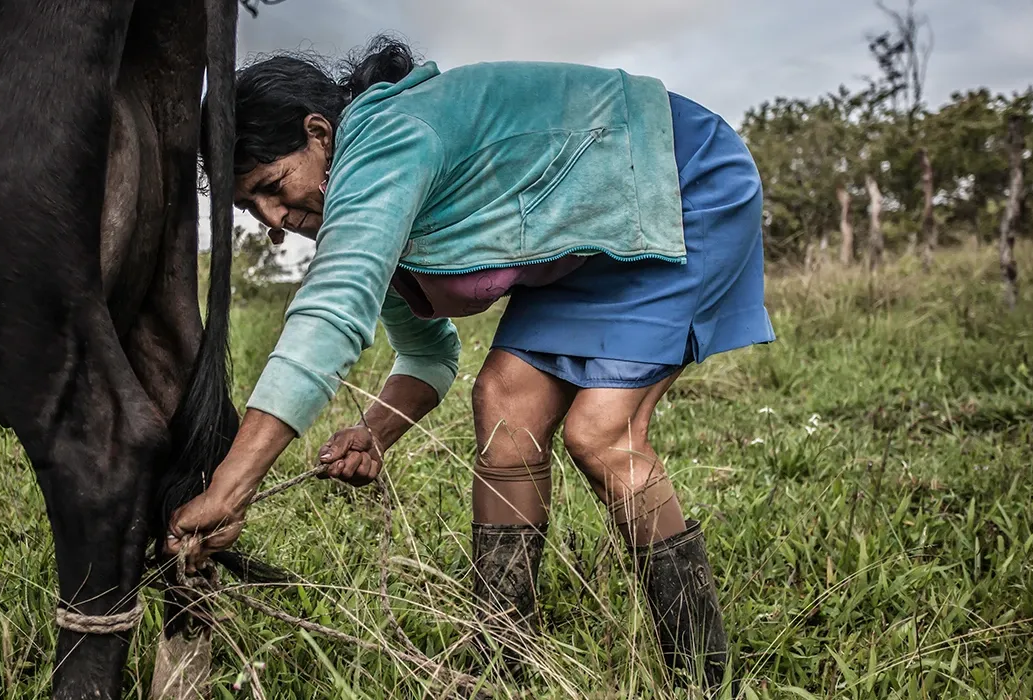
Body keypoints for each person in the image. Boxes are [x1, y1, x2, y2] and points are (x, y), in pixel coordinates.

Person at [167, 35, 774, 691]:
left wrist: (231, 485)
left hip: (675, 178)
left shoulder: (384, 139)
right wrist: (376, 431)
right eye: (249, 209)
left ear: (319, 134)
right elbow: (428, 355)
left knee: (601, 433)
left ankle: (704, 682)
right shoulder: (379, 208)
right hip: (594, 236)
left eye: (271, 187)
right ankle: (504, 670)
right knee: (504, 401)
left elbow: (330, 314)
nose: (274, 219)